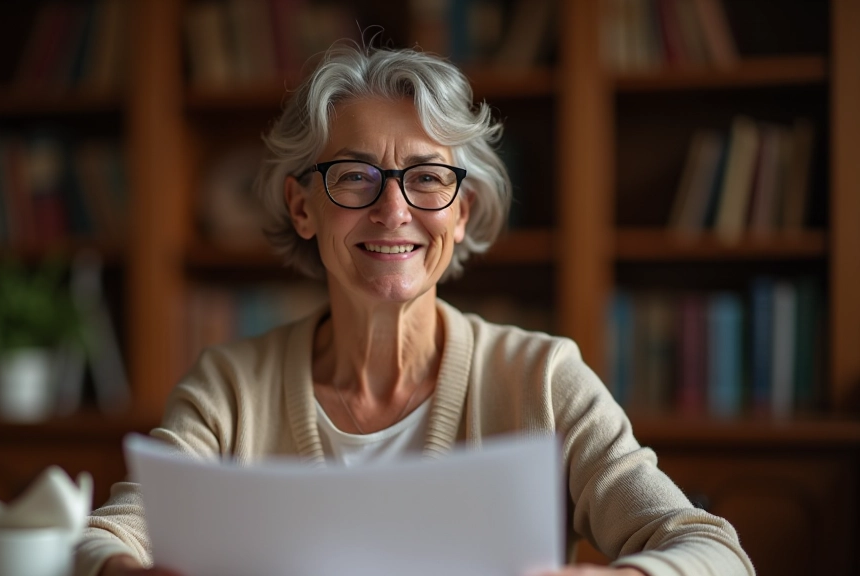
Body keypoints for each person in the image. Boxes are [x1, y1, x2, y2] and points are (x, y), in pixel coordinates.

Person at [75, 43, 755, 576]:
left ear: (462, 212)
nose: (393, 209)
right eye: (355, 176)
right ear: (302, 207)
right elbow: (102, 538)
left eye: (427, 177)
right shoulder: (228, 388)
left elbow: (716, 553)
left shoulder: (543, 379)